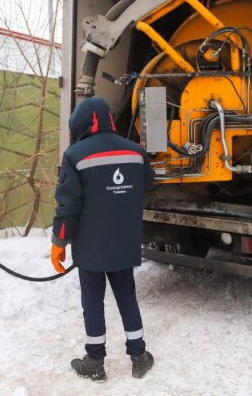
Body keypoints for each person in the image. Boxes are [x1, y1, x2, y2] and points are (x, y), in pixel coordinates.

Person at [50, 97, 155, 382]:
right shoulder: (136, 152)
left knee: (93, 300)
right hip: (124, 241)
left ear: (80, 123)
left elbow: (68, 205)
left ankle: (95, 361)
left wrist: (59, 242)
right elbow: (148, 181)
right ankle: (139, 356)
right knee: (127, 296)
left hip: (91, 246)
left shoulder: (75, 155)